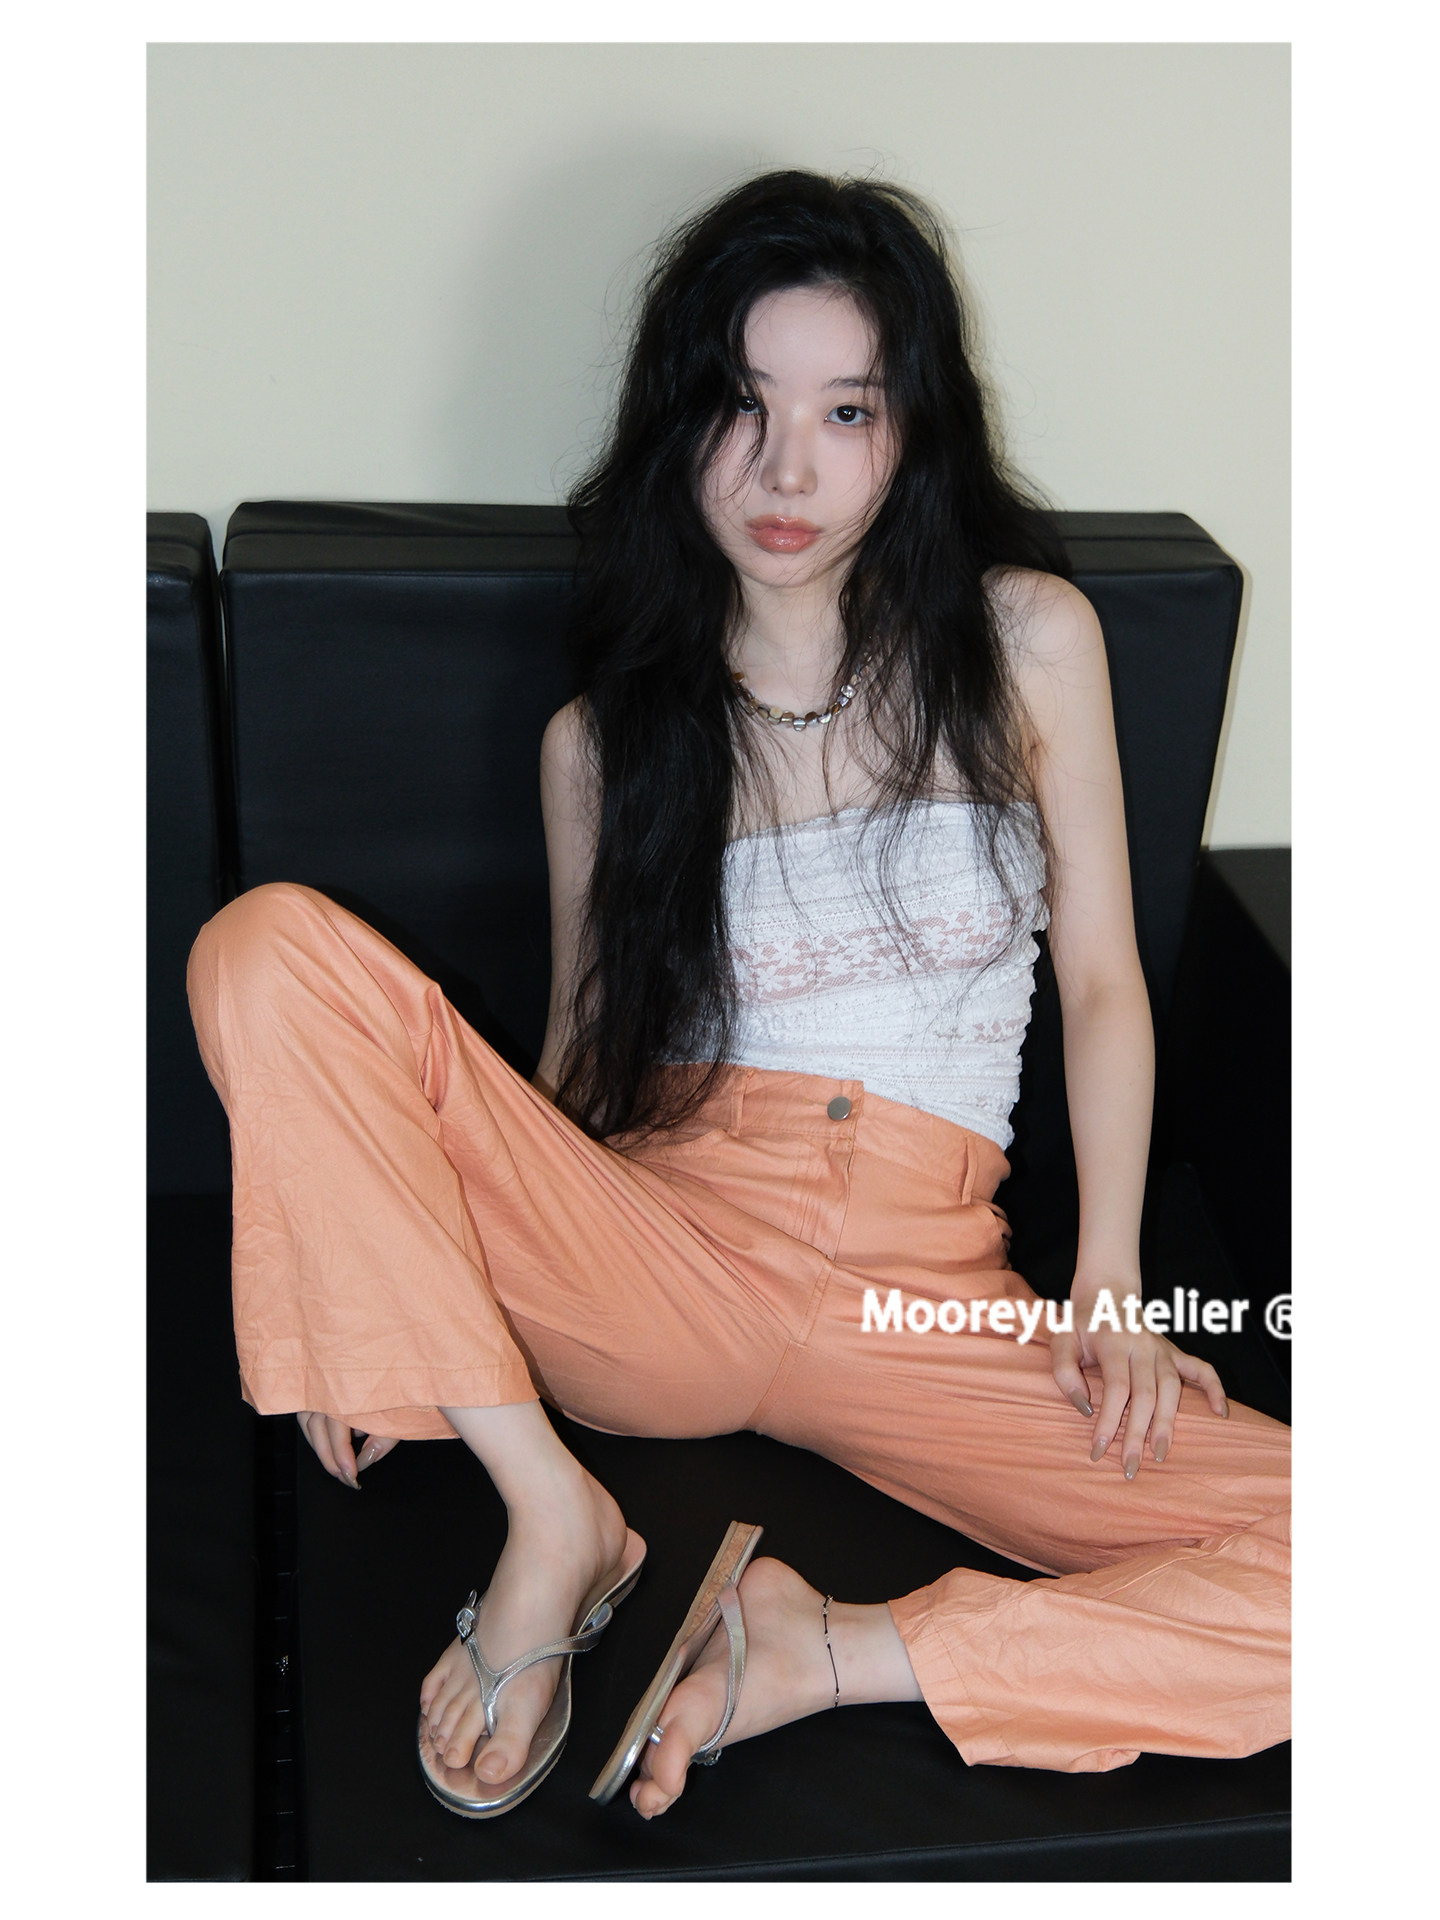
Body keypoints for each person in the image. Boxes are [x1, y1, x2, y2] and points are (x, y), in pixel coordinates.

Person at [188, 169, 1289, 1824]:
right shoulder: (605, 744)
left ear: (912, 431)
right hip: (664, 1255)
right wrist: (396, 1303)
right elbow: (579, 1082)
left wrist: (1113, 1280)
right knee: (260, 943)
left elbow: (1106, 983)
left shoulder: (1027, 641)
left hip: (926, 1301)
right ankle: (556, 1513)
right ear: (677, 422)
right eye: (743, 404)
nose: (787, 470)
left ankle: (821, 1652)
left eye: (847, 410)